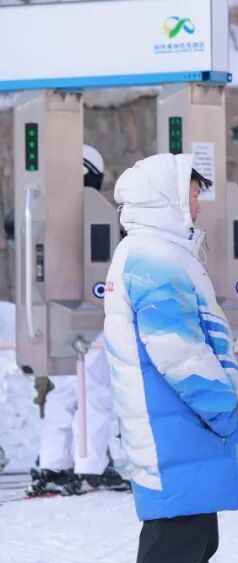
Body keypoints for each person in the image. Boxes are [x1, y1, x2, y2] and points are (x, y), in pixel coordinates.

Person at [104, 153, 238, 563]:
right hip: (172, 426)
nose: (199, 202)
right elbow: (177, 350)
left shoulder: (169, 251)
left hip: (185, 428)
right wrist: (225, 408)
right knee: (172, 549)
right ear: (169, 197)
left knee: (197, 545)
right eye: (193, 191)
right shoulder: (150, 255)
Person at [27, 145, 128, 497]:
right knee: (95, 389)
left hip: (55, 311)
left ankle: (55, 464)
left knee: (64, 390)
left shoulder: (46, 209)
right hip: (90, 313)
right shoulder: (93, 212)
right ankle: (91, 463)